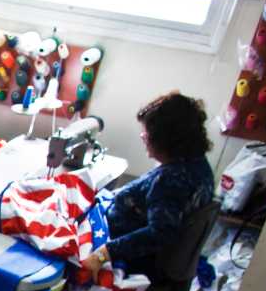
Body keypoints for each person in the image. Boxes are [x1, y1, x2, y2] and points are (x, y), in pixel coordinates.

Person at [86, 92, 213, 277]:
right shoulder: (198, 166)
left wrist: (103, 254)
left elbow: (160, 234)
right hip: (137, 248)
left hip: (127, 256)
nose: (143, 136)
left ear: (165, 139)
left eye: (147, 133)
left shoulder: (171, 181)